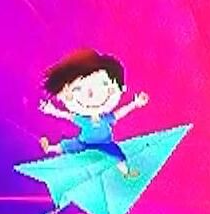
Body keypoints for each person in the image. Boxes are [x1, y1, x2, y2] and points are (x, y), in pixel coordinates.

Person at [38, 48, 149, 178]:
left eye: (104, 85)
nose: (91, 95)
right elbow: (67, 115)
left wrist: (134, 104)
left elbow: (120, 113)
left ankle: (126, 173)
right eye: (77, 89)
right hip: (84, 143)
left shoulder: (106, 118)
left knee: (118, 156)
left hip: (105, 144)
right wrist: (52, 110)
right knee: (67, 145)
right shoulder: (83, 119)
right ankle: (49, 148)